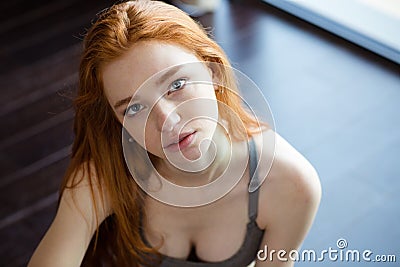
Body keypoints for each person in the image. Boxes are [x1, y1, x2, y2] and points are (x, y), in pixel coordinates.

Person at [28, 1, 321, 266]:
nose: (168, 121)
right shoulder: (106, 176)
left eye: (177, 85)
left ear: (213, 71)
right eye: (134, 108)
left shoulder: (290, 183)